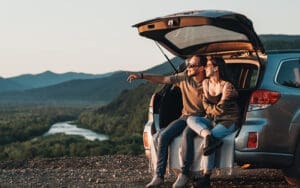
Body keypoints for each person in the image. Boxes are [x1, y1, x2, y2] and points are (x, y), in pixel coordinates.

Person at [127, 55, 207, 188]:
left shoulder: (209, 83)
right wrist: (141, 75)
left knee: (187, 135)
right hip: (185, 117)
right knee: (163, 136)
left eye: (192, 65)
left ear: (202, 68)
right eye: (188, 65)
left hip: (200, 120)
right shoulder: (184, 77)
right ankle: (159, 176)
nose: (188, 68)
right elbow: (164, 79)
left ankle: (185, 174)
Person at [173, 56, 240, 188]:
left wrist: (211, 109)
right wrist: (211, 110)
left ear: (216, 68)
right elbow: (205, 106)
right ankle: (207, 135)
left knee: (211, 139)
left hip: (228, 120)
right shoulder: (206, 83)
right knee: (191, 119)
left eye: (208, 65)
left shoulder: (227, 86)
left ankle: (206, 176)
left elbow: (221, 110)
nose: (205, 68)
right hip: (211, 119)